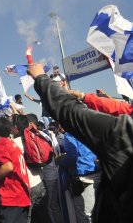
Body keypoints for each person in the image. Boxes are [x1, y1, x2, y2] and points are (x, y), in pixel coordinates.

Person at [27, 62, 133, 222]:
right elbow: (123, 109)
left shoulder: (123, 133)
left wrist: (41, 78)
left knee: (85, 216)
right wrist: (84, 97)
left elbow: (72, 113)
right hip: (95, 177)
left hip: (85, 180)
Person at [0, 117, 31, 223]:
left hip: (11, 197)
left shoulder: (0, 145)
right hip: (21, 195)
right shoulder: (11, 143)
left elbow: (8, 166)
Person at [11, 115, 50, 223]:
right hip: (41, 182)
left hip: (28, 187)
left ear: (15, 127)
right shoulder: (34, 136)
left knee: (26, 218)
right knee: (43, 216)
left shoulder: (14, 144)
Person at [58, 132, 101, 223]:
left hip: (84, 179)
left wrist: (60, 161)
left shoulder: (70, 134)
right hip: (98, 175)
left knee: (85, 215)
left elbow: (72, 157)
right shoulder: (91, 129)